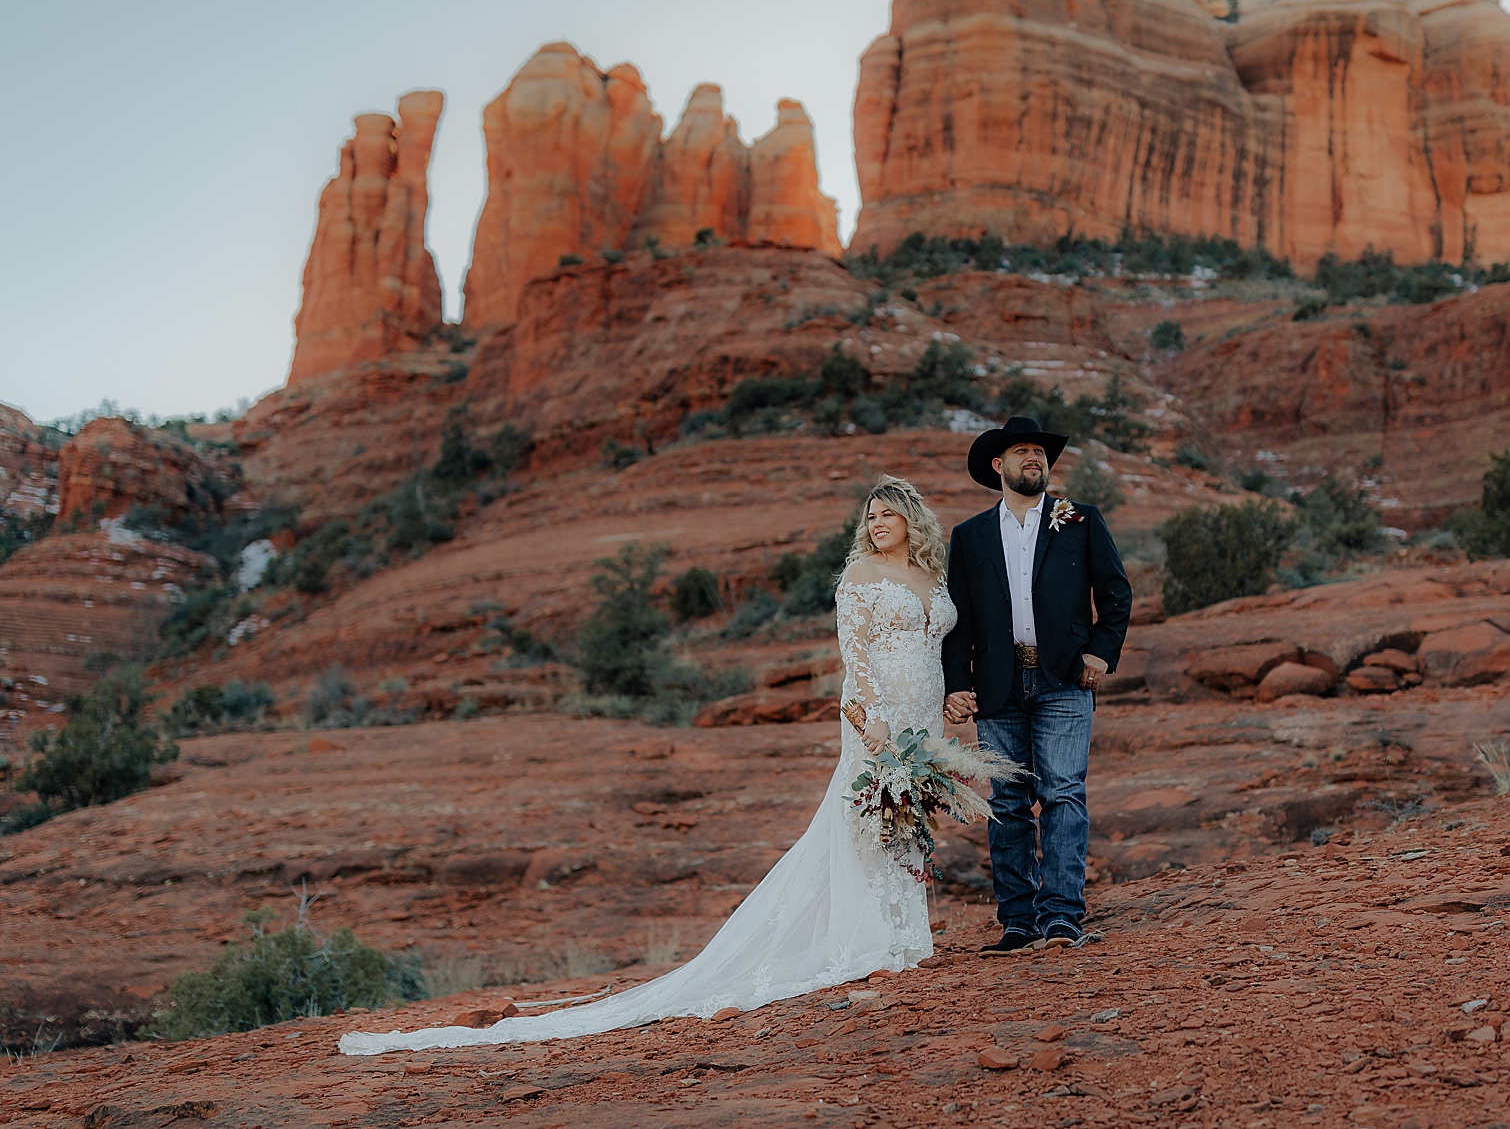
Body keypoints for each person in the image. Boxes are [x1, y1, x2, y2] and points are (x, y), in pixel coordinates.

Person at [339, 476, 956, 1055]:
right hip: (876, 723)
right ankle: (872, 942)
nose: (876, 524)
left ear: (911, 519)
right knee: (866, 824)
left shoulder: (932, 574)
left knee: (908, 825)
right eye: (869, 516)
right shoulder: (860, 577)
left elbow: (943, 647)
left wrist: (951, 698)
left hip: (924, 718)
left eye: (887, 514)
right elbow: (855, 668)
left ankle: (906, 937)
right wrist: (868, 724)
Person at [941, 416, 1132, 955]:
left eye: (1039, 452)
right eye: (1021, 452)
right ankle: (1018, 921)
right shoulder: (971, 536)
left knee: (1064, 793)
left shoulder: (1080, 520)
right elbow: (960, 621)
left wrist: (1101, 650)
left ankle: (1062, 917)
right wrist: (956, 684)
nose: (1034, 459)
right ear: (998, 466)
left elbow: (1116, 593)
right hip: (997, 685)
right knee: (1007, 801)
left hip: (1065, 679)